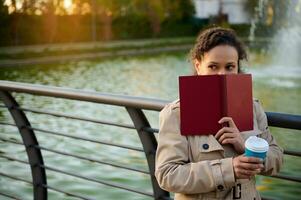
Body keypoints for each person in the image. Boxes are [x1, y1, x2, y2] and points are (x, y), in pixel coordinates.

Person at [155, 27, 283, 200]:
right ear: (198, 65)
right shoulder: (176, 113)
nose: (222, 74)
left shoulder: (252, 107)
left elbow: (277, 160)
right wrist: (228, 169)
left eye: (230, 66)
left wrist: (245, 144)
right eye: (213, 66)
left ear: (238, 67)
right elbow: (167, 175)